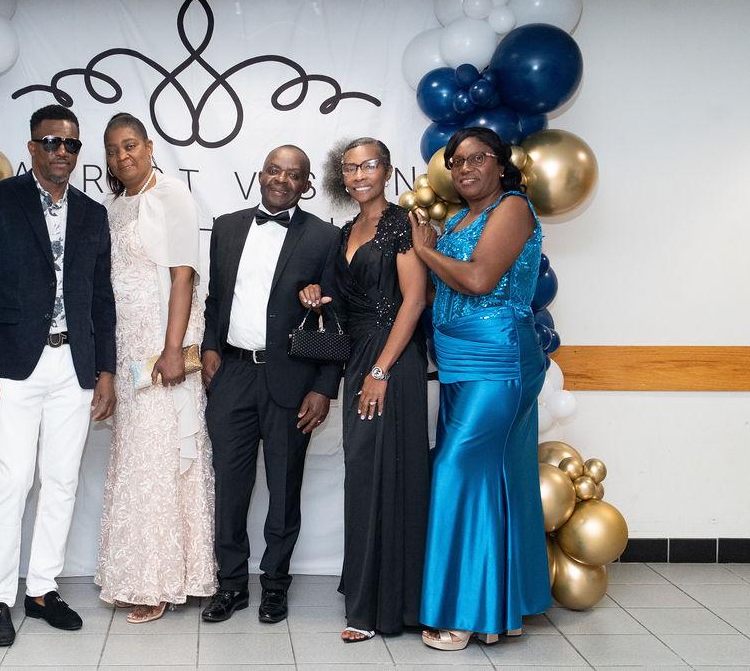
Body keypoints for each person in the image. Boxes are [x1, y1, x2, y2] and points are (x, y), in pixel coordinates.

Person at [0, 104, 117, 647]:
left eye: (71, 144)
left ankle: (44, 590)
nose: (61, 152)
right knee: (13, 481)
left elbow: (101, 299)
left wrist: (105, 370)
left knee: (62, 480)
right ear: (32, 147)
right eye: (51, 142)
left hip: (74, 366)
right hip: (15, 365)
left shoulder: (92, 214)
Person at [409, 126, 551, 651]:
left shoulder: (511, 207)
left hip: (498, 357)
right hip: (458, 361)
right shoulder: (458, 219)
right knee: (499, 475)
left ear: (500, 163)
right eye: (456, 161)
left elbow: (478, 280)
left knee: (457, 468)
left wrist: (424, 252)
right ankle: (500, 609)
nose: (465, 168)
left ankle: (463, 614)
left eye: (477, 158)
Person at [200, 145, 345, 625]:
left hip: (293, 381)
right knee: (229, 489)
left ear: (306, 185)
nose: (282, 179)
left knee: (284, 490)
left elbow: (336, 317)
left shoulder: (324, 237)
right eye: (274, 170)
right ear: (260, 175)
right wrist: (210, 349)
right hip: (233, 375)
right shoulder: (226, 226)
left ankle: (276, 586)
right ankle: (230, 585)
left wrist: (324, 387)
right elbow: (215, 300)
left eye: (294, 174)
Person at [298, 137, 430, 643]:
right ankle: (368, 591)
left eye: (368, 165)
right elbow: (342, 298)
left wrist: (380, 371)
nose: (358, 175)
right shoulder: (346, 231)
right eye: (350, 168)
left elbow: (413, 301)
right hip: (357, 358)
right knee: (364, 474)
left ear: (388, 170)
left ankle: (383, 606)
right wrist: (314, 295)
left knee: (388, 474)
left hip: (390, 360)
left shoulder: (402, 224)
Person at [93, 112, 216, 623]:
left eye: (130, 146)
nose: (122, 156)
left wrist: (172, 349)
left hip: (161, 349)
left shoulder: (171, 196)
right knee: (135, 461)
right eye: (113, 150)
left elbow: (184, 277)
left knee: (163, 461)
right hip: (126, 348)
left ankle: (160, 581)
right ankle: (143, 572)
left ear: (148, 147)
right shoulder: (113, 206)